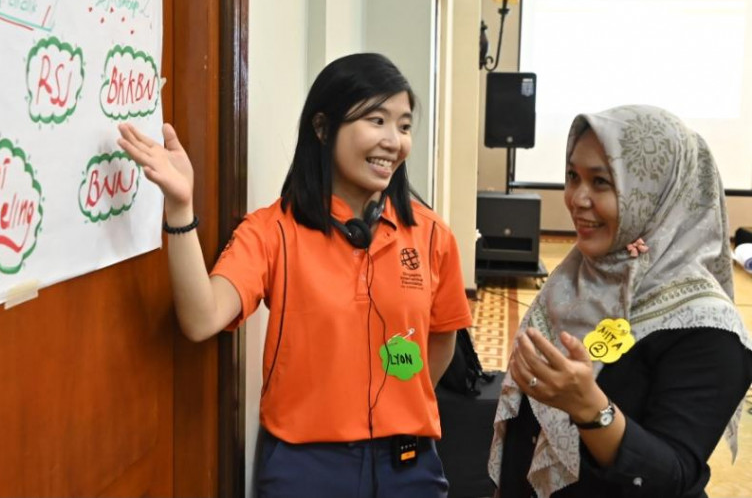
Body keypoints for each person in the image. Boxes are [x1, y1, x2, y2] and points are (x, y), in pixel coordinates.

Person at [118, 52, 473, 498]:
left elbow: (441, 341)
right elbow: (200, 318)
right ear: (322, 128)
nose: (393, 141)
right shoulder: (272, 231)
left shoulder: (432, 234)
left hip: (409, 468)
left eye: (403, 126)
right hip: (305, 470)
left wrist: (398, 406)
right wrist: (180, 207)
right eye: (376, 120)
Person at [488, 105, 752, 498]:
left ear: (656, 194)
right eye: (573, 177)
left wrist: (591, 410)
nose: (577, 198)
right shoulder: (575, 278)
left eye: (601, 182)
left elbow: (672, 477)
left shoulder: (707, 327)